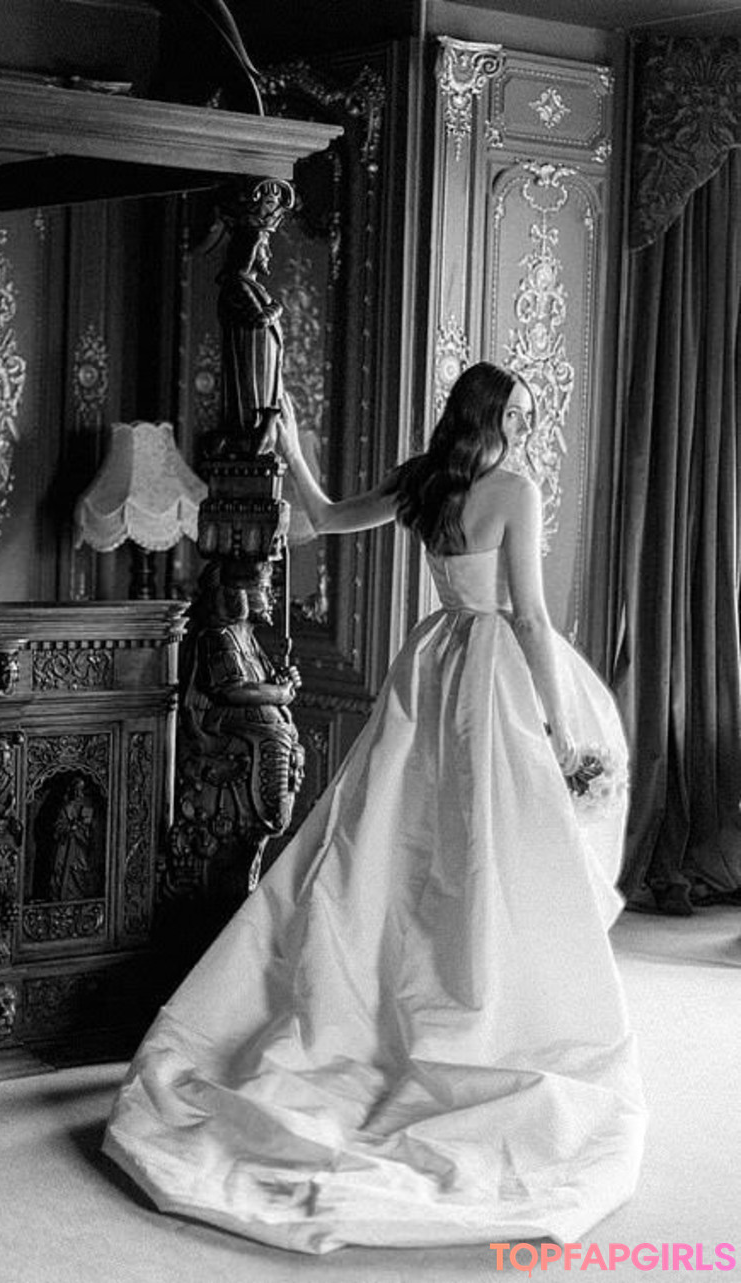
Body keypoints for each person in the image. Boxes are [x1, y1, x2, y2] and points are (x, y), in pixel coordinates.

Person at [102, 362, 645, 1253]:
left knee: (403, 850)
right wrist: (556, 725)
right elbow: (531, 618)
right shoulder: (513, 490)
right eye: (519, 414)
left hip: (432, 666)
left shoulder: (423, 480)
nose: (527, 428)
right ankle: (480, 1010)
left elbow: (319, 514)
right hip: (494, 676)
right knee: (488, 851)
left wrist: (294, 446)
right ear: (491, 417)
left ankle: (415, 1004)